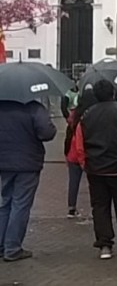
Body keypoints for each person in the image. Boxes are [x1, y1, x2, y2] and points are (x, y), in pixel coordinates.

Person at [70, 79, 117, 259]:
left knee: (100, 207)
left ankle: (104, 245)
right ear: (113, 92)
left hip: (95, 169)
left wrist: (85, 164)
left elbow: (79, 145)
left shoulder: (86, 116)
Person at [0, 99, 56, 261]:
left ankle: (2, 245)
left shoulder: (1, 106)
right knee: (21, 204)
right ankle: (12, 248)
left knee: (5, 203)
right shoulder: (33, 107)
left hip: (4, 162)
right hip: (27, 162)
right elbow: (47, 133)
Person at [64, 85, 90, 219]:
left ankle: (71, 208)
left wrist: (66, 153)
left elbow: (68, 135)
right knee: (93, 182)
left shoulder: (74, 114)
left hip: (72, 153)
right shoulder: (92, 115)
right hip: (88, 153)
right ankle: (95, 207)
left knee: (73, 182)